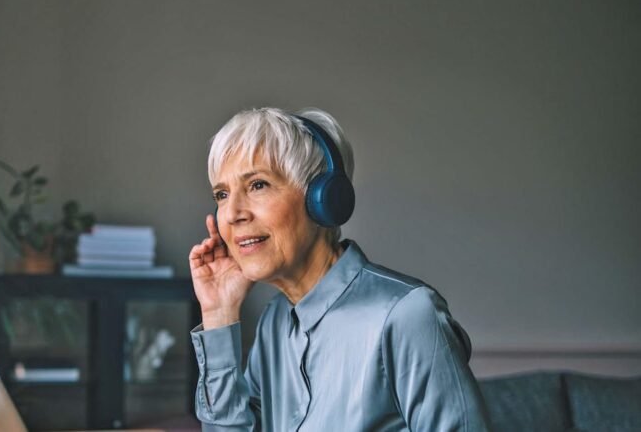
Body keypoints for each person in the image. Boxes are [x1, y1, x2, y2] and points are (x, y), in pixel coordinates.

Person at [188, 107, 489, 431]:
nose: (232, 213)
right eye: (221, 194)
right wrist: (220, 313)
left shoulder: (408, 315)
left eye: (258, 185)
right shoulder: (273, 324)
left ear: (322, 199)